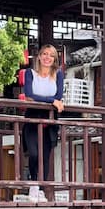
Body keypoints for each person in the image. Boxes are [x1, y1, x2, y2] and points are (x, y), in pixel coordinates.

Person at [22, 44, 64, 199]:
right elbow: (29, 95)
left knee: (45, 157)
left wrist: (54, 101)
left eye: (51, 55)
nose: (47, 57)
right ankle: (34, 184)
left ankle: (41, 189)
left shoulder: (58, 75)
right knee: (33, 154)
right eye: (44, 54)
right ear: (39, 56)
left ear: (54, 59)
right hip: (32, 118)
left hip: (50, 120)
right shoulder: (30, 73)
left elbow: (59, 96)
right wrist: (51, 100)